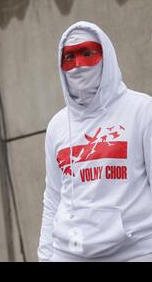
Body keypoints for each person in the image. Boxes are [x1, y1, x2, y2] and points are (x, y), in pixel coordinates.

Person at [37, 21, 152, 262]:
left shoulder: (142, 110)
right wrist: (45, 257)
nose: (77, 66)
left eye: (87, 53)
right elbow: (53, 198)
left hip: (134, 252)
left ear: (106, 56)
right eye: (69, 57)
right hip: (67, 254)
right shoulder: (57, 125)